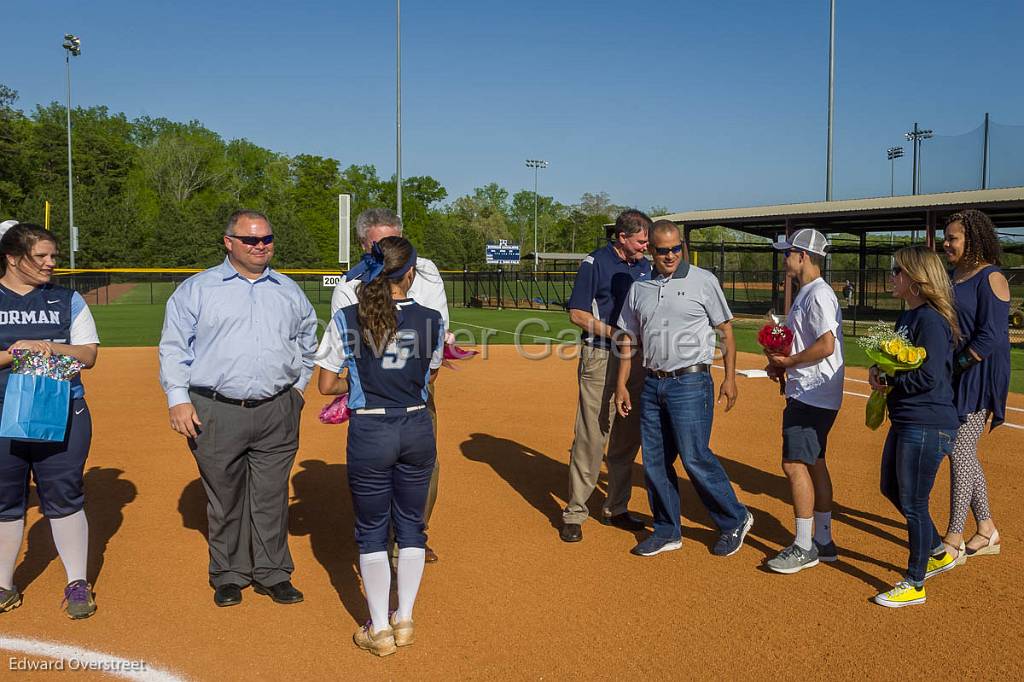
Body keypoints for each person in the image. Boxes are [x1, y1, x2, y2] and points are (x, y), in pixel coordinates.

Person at [159, 210, 317, 608]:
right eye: (251, 240)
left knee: (271, 495)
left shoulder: (288, 290)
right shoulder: (196, 289)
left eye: (267, 238)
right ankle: (229, 574)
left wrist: (297, 391)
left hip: (277, 408)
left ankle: (272, 572)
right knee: (224, 496)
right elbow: (175, 348)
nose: (261, 246)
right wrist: (178, 398)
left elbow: (308, 345)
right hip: (216, 409)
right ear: (228, 242)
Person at [316, 236, 444, 657]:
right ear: (409, 273)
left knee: (371, 531)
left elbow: (324, 385)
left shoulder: (347, 317)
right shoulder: (431, 319)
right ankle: (404, 619)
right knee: (412, 527)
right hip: (416, 425)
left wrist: (357, 381)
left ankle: (379, 629)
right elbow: (430, 376)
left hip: (371, 431)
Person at [614, 220, 752, 557]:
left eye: (677, 248)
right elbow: (628, 339)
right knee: (656, 461)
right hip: (652, 384)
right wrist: (621, 384)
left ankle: (735, 518)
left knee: (694, 456)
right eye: (664, 250)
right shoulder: (639, 289)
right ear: (651, 251)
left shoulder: (703, 281)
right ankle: (667, 530)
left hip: (691, 382)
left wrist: (729, 377)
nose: (672, 255)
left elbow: (726, 331)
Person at [333, 208, 448, 564]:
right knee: (376, 467)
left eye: (392, 240)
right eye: (377, 243)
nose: (385, 250)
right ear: (362, 244)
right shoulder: (349, 285)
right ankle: (376, 537)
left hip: (416, 388)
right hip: (371, 392)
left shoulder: (426, 273)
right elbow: (345, 349)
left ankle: (410, 536)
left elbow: (438, 332)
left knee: (424, 465)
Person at [0, 223, 100, 619]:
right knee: (5, 501)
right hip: (3, 412)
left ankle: (77, 583)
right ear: (11, 258)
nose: (50, 263)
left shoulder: (67, 299)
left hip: (63, 412)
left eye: (53, 255)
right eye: (40, 256)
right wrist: (15, 351)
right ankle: (4, 584)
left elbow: (88, 355)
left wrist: (48, 346)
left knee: (64, 495)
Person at [868, 246, 961, 608]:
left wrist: (890, 382)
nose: (892, 277)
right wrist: (881, 371)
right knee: (890, 487)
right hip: (908, 418)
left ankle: (915, 582)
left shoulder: (931, 321)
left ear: (917, 280)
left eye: (897, 271)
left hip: (927, 421)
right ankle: (937, 551)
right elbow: (901, 366)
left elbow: (928, 375)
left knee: (914, 503)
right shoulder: (908, 318)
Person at [560, 209, 652, 543]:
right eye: (642, 241)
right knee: (592, 431)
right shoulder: (594, 262)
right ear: (623, 237)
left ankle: (616, 507)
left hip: (637, 356)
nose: (646, 247)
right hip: (601, 354)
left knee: (627, 432)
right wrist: (616, 333)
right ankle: (575, 512)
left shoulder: (645, 266)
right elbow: (577, 313)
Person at [764, 229, 845, 573]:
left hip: (812, 394)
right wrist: (784, 365)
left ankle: (803, 546)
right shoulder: (808, 293)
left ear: (804, 256)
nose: (784, 259)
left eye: (788, 253)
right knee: (814, 463)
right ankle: (823, 540)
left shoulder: (817, 295)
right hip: (813, 392)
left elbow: (826, 344)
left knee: (794, 464)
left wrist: (790, 363)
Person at [940, 209, 1010, 559]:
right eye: (947, 237)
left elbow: (993, 335)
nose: (946, 243)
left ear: (973, 240)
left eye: (953, 237)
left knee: (960, 451)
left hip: (979, 376)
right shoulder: (955, 274)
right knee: (961, 451)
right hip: (957, 371)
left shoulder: (991, 276)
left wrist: (958, 365)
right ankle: (986, 529)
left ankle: (954, 537)